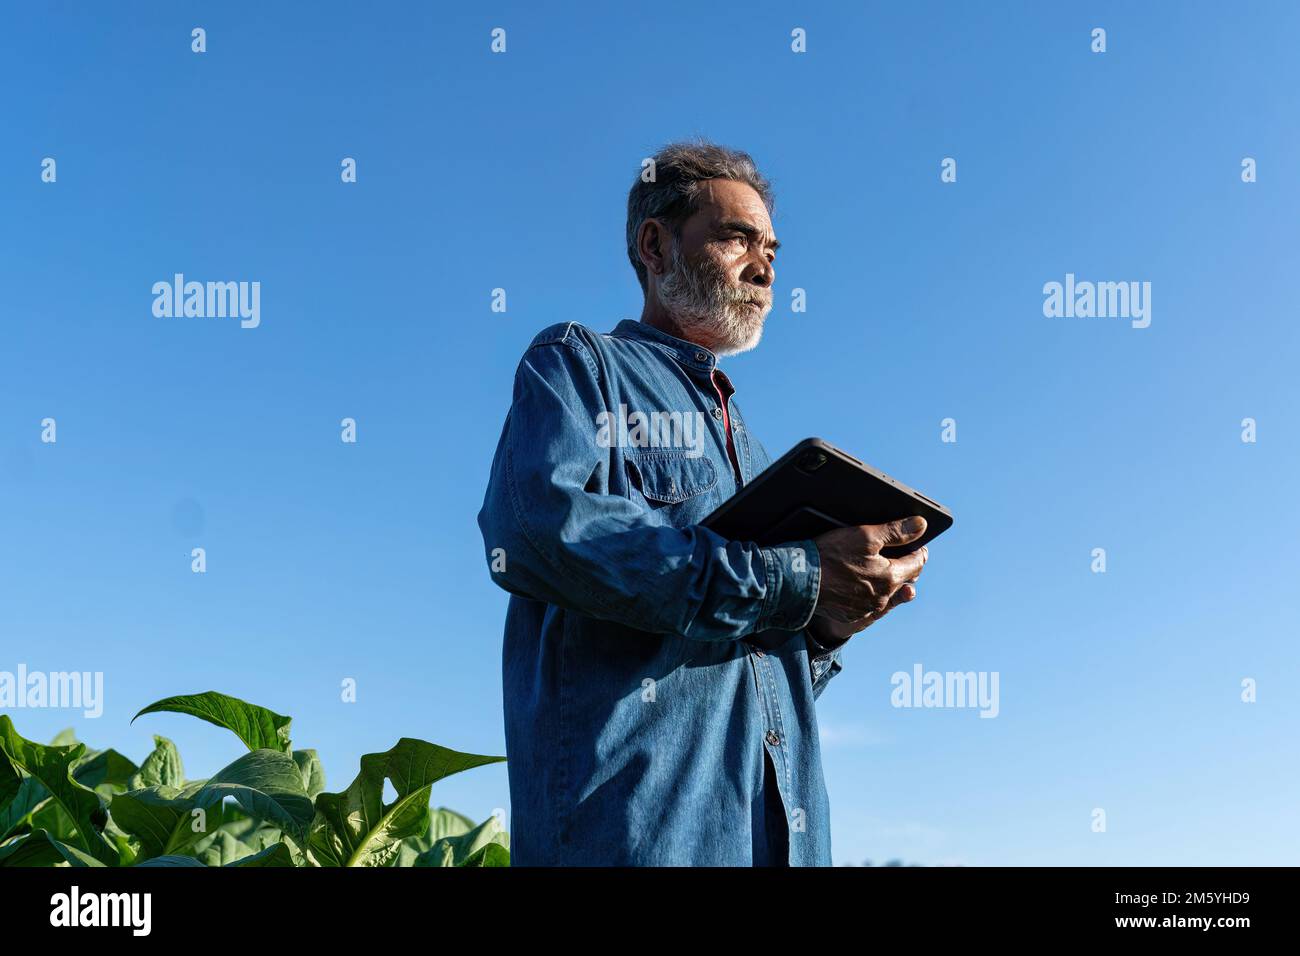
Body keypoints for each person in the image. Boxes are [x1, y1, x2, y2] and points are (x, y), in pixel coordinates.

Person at [477, 139, 930, 865]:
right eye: (737, 237)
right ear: (654, 246)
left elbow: (744, 663)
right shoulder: (580, 363)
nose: (765, 264)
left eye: (774, 248)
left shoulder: (751, 450)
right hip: (633, 840)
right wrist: (799, 578)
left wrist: (827, 623)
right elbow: (538, 531)